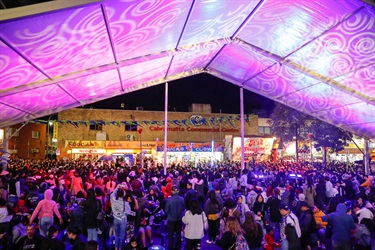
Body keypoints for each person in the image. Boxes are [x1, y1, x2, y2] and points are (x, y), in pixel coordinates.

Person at [111, 185, 131, 250]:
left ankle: (116, 248)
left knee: (116, 235)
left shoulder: (113, 199)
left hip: (115, 219)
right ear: (123, 195)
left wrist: (117, 187)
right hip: (122, 219)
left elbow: (112, 193)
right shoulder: (125, 203)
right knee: (122, 235)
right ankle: (120, 248)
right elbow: (128, 212)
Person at [165, 185, 185, 250]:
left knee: (170, 235)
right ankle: (178, 247)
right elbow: (183, 208)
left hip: (171, 220)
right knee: (178, 234)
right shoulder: (182, 199)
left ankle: (171, 248)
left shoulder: (169, 200)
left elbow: (166, 211)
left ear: (171, 191)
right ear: (178, 191)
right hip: (179, 219)